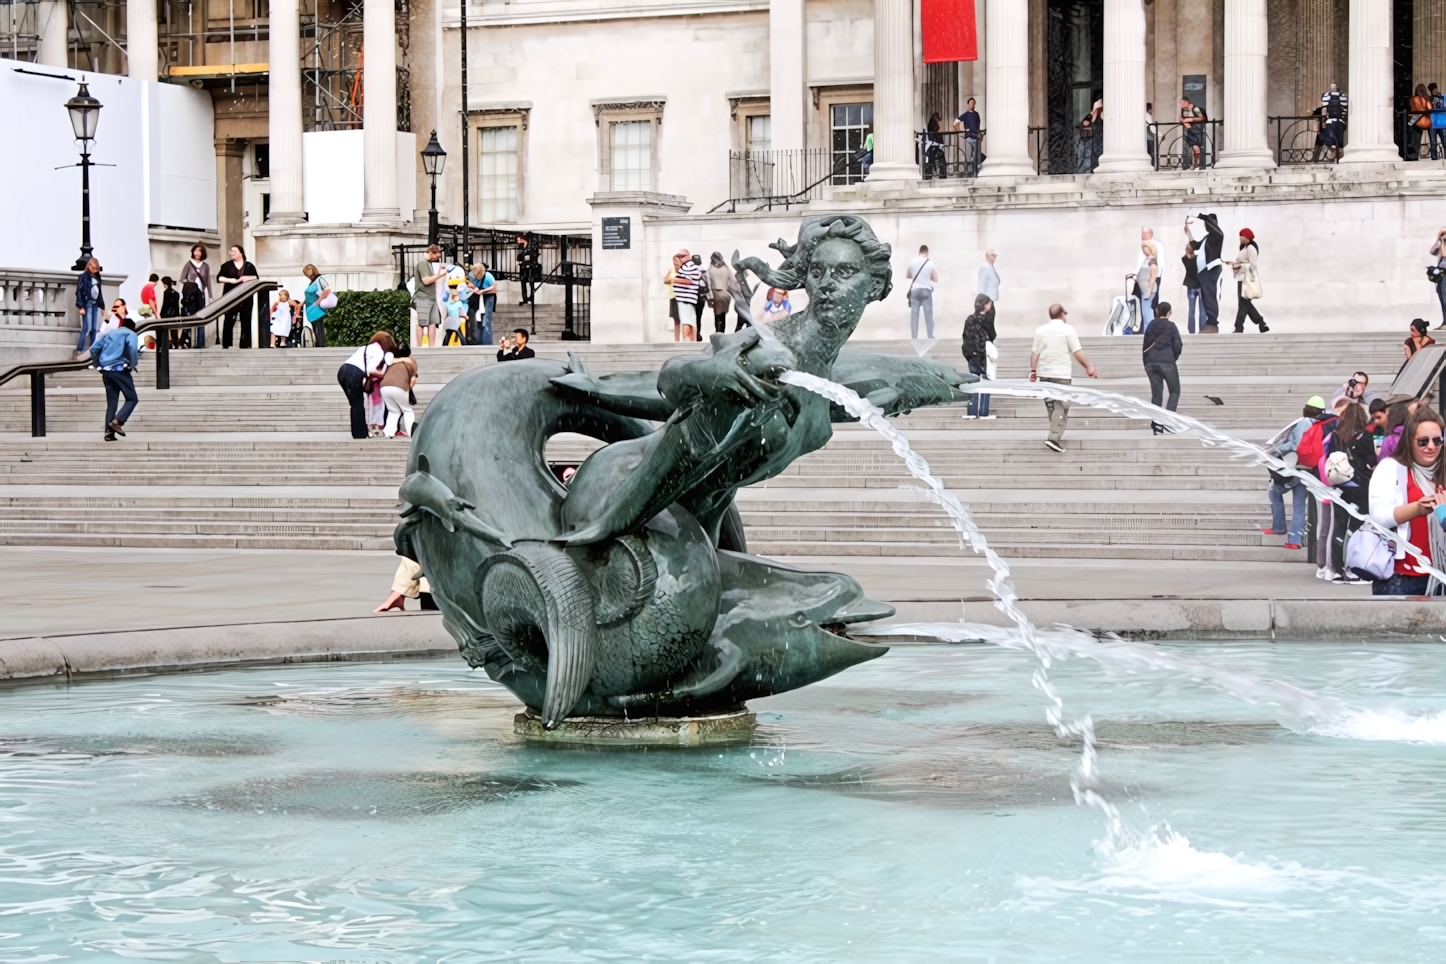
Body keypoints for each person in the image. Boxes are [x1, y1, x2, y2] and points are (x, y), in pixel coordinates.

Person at [1368, 406, 1446, 595]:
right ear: (1409, 442)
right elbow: (1378, 517)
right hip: (1402, 577)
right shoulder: (1391, 467)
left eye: (1437, 440)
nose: (1431, 446)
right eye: (1423, 441)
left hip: (1440, 577)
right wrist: (1417, 509)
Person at [1030, 304, 1099, 452]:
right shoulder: (1068, 330)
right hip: (1061, 374)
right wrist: (1088, 367)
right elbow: (1077, 351)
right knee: (1061, 406)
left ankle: (1055, 431)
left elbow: (1035, 353)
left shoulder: (1040, 330)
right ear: (1062, 314)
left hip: (1044, 373)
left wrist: (1033, 371)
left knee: (1052, 405)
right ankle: (1053, 438)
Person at [1324, 401, 1377, 583]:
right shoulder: (1365, 437)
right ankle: (1353, 569)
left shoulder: (1336, 435)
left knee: (1338, 526)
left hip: (1339, 486)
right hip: (1360, 486)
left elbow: (1328, 459)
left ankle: (1336, 570)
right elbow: (1371, 460)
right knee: (1356, 528)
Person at [1264, 396, 1326, 550]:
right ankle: (1295, 540)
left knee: (1274, 491)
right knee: (1299, 504)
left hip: (1295, 466)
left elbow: (1294, 444)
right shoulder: (1322, 425)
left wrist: (1274, 450)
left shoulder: (1303, 422)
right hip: (1309, 469)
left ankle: (1278, 526)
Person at [89, 316, 140, 441]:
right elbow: (132, 349)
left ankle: (108, 433)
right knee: (132, 398)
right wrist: (133, 364)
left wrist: (98, 364)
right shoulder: (131, 334)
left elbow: (94, 348)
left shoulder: (109, 334)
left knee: (112, 402)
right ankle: (118, 421)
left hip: (106, 371)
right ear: (133, 328)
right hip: (119, 369)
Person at [338, 332, 395, 440]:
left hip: (343, 371)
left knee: (355, 404)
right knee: (358, 404)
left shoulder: (366, 348)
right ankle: (360, 433)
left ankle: (359, 432)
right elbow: (370, 369)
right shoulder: (379, 352)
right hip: (354, 373)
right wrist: (383, 373)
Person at [1142, 301, 1182, 434]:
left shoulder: (1150, 326)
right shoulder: (1171, 326)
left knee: (1156, 395)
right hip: (1167, 362)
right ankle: (1169, 423)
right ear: (1169, 312)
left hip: (1151, 363)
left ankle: (1157, 426)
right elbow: (1178, 345)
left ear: (1157, 312)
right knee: (1174, 391)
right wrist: (1172, 358)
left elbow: (1145, 346)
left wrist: (1147, 363)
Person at [1186, 213, 1224, 332]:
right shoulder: (1207, 238)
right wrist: (1188, 232)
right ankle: (1210, 321)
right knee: (1207, 296)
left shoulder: (1217, 236)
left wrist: (1201, 216)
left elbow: (1217, 230)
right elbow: (1195, 246)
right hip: (1204, 272)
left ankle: (1212, 321)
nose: (1205, 226)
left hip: (1211, 269)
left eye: (1207, 224)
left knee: (1211, 295)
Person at [216, 245, 258, 349]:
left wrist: (245, 278)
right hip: (231, 296)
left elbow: (256, 277)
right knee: (229, 319)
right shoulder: (227, 266)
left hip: (246, 296)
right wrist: (231, 280)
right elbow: (219, 278)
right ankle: (226, 343)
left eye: (234, 251)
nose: (232, 253)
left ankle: (245, 343)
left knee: (246, 319)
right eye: (231, 251)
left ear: (241, 253)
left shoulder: (249, 266)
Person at [961, 294, 995, 419]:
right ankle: (984, 412)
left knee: (973, 384)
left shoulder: (970, 319)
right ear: (985, 304)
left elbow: (965, 337)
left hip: (973, 356)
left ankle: (972, 412)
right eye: (989, 303)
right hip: (984, 356)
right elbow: (992, 335)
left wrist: (968, 353)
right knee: (986, 384)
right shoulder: (987, 320)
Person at [1230, 227, 1268, 333]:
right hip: (1242, 278)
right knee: (1244, 303)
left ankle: (1239, 327)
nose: (1239, 238)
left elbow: (1253, 265)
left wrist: (1240, 266)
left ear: (1247, 237)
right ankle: (1261, 323)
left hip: (1247, 280)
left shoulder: (1251, 248)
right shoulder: (1245, 247)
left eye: (1241, 236)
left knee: (1243, 303)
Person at [179, 243, 212, 348]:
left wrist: (210, 296)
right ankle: (186, 342)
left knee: (201, 317)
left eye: (200, 251)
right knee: (188, 318)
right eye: (196, 250)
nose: (197, 253)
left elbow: (208, 282)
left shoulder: (205, 266)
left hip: (200, 294)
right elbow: (181, 279)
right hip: (189, 295)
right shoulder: (188, 264)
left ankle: (200, 343)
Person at [381, 344, 418, 438]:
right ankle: (411, 433)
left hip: (384, 387)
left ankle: (388, 432)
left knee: (393, 411)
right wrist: (408, 390)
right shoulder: (411, 361)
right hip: (399, 387)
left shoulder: (392, 362)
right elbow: (413, 379)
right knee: (407, 411)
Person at [412, 245, 446, 347]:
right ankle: (419, 346)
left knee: (433, 323)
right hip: (423, 297)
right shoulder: (423, 264)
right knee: (421, 323)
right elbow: (426, 280)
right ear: (431, 253)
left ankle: (432, 347)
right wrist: (440, 274)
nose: (437, 259)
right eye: (436, 256)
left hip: (431, 297)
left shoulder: (428, 264)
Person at [906, 245, 938, 339]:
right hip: (926, 291)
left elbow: (908, 275)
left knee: (914, 315)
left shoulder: (912, 262)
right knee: (928, 315)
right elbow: (935, 278)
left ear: (919, 252)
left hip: (915, 290)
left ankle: (914, 337)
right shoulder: (930, 262)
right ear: (927, 252)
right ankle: (930, 335)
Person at [73, 257, 103, 358]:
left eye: (96, 268)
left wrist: (102, 306)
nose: (94, 270)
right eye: (92, 267)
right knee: (86, 327)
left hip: (95, 304)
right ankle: (79, 349)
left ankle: (93, 350)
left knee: (95, 328)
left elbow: (100, 293)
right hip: (87, 303)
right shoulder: (83, 277)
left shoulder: (97, 277)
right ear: (89, 266)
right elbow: (79, 292)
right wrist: (80, 306)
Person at [671, 250, 703, 342]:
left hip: (685, 298)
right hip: (688, 298)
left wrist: (674, 280)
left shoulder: (688, 267)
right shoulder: (690, 267)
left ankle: (687, 340)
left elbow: (689, 281)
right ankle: (691, 339)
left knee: (687, 320)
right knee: (691, 320)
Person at [1129, 238, 1160, 329]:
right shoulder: (1145, 259)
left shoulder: (1152, 261)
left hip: (1148, 291)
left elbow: (1153, 277)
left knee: (1148, 313)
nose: (1143, 249)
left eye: (1145, 247)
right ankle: (1147, 332)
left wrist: (1149, 291)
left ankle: (1150, 332)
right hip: (1143, 290)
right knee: (1144, 313)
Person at [301, 264, 332, 347]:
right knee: (316, 327)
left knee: (318, 328)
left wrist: (319, 300)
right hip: (311, 309)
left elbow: (327, 289)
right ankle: (319, 343)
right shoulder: (312, 282)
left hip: (316, 309)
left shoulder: (319, 279)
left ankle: (320, 345)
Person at [953, 97, 982, 175]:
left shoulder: (976, 114)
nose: (972, 104)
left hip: (976, 137)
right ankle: (970, 172)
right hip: (969, 137)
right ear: (968, 104)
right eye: (970, 103)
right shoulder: (966, 115)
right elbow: (956, 122)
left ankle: (976, 171)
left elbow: (978, 125)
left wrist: (979, 135)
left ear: (975, 104)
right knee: (969, 156)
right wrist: (961, 129)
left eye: (973, 103)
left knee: (976, 155)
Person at [706, 252, 734, 333]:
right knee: (723, 315)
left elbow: (708, 283)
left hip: (716, 294)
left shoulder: (711, 269)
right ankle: (722, 332)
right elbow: (732, 280)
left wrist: (709, 298)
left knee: (717, 315)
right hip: (726, 294)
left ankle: (718, 331)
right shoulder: (726, 268)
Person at [1320, 84, 1347, 161]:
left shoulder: (1327, 96)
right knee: (1339, 142)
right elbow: (1345, 109)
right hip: (1340, 121)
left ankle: (1334, 158)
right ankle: (1338, 159)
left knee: (1331, 141)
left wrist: (1323, 122)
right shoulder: (1342, 96)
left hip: (1331, 121)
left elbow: (1324, 110)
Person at [1181, 240, 1203, 333]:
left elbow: (1188, 255)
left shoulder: (1185, 259)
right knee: (1203, 310)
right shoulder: (1199, 259)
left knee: (1191, 310)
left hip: (1191, 286)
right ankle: (1202, 329)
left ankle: (1191, 330)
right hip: (1201, 285)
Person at [1410, 84, 1434, 161]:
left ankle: (1415, 155)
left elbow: (1416, 111)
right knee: (1432, 139)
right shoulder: (1427, 99)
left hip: (1419, 121)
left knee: (1416, 137)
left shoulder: (1415, 98)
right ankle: (1434, 155)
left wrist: (1410, 122)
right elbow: (1430, 108)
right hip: (1428, 121)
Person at [1179, 98, 1205, 170]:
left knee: (1196, 148)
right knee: (1193, 147)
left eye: (1182, 103)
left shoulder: (1195, 109)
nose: (1181, 105)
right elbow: (1182, 119)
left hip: (1197, 130)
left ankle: (1198, 164)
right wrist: (1183, 120)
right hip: (1190, 129)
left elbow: (1201, 118)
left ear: (1187, 102)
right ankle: (1194, 164)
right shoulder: (1184, 111)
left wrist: (1191, 119)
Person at [442, 281, 467, 345]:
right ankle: (464, 344)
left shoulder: (447, 303)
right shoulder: (459, 304)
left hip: (448, 320)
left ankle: (444, 345)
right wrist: (465, 316)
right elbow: (462, 312)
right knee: (459, 333)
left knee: (448, 333)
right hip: (455, 320)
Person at [1431, 228, 1446, 329]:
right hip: (1441, 274)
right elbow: (1432, 251)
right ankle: (1444, 322)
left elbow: (1445, 255)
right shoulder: (1440, 244)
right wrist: (1438, 240)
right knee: (1442, 298)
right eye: (1442, 234)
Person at [1431, 84, 1446, 162]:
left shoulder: (1442, 97)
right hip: (1433, 121)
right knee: (1433, 141)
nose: (1435, 91)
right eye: (1433, 90)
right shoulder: (1429, 98)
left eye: (1435, 89)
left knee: (1444, 139)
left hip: (1441, 121)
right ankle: (1434, 157)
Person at [1145, 102, 1157, 167]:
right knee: (1151, 151)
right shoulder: (1147, 115)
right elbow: (1151, 126)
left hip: (1144, 135)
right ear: (1149, 109)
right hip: (1149, 135)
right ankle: (1152, 165)